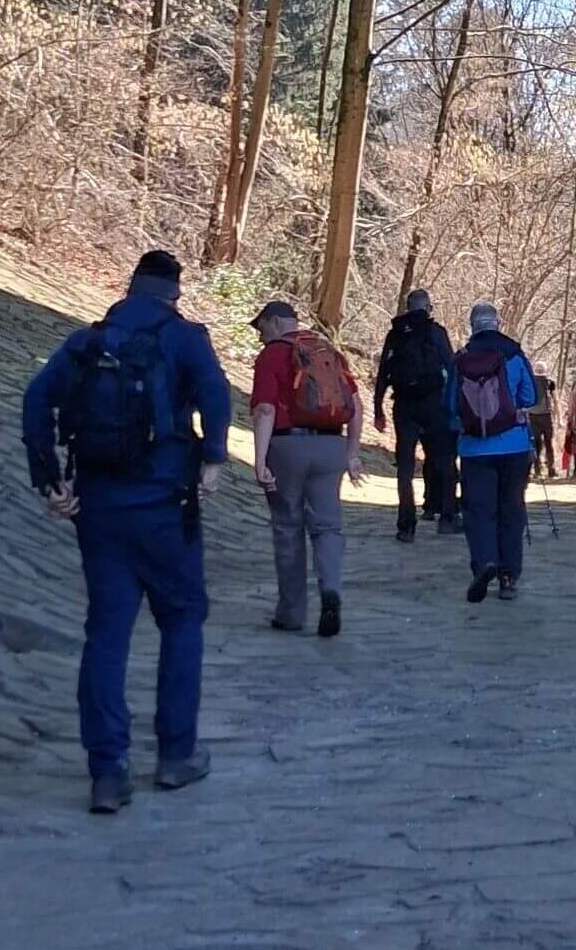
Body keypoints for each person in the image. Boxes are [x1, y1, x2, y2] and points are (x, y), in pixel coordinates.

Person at [22, 248, 229, 814]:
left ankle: (108, 772)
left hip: (99, 510)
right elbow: (215, 393)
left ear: (130, 288)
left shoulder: (88, 341)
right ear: (174, 294)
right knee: (182, 620)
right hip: (165, 507)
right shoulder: (185, 338)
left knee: (107, 633)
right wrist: (213, 458)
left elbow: (36, 399)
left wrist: (49, 480)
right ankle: (176, 754)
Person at [251, 300, 364, 637]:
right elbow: (355, 406)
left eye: (261, 328)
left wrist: (260, 459)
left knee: (288, 526)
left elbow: (265, 410)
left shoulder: (272, 355)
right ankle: (331, 590)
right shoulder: (328, 352)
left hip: (287, 447)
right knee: (328, 526)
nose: (260, 335)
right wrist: (352, 453)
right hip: (331, 446)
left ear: (273, 321)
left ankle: (291, 613)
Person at [453, 300, 537, 603]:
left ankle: (485, 562)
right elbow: (530, 395)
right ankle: (508, 576)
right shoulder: (513, 354)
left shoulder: (461, 359)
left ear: (472, 326)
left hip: (474, 449)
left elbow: (450, 406)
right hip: (514, 447)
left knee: (478, 510)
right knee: (511, 509)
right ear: (497, 323)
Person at [373, 286, 458, 539]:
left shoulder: (396, 333)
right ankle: (447, 517)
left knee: (405, 466)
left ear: (407, 308)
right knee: (443, 460)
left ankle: (406, 524)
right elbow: (451, 368)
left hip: (404, 405)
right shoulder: (436, 332)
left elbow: (383, 372)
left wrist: (378, 409)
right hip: (434, 404)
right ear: (428, 308)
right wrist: (453, 405)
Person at [529, 362, 559, 481]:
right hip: (546, 416)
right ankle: (551, 470)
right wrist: (558, 416)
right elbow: (555, 400)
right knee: (549, 443)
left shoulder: (530, 382)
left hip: (532, 416)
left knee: (536, 444)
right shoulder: (550, 382)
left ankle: (537, 470)